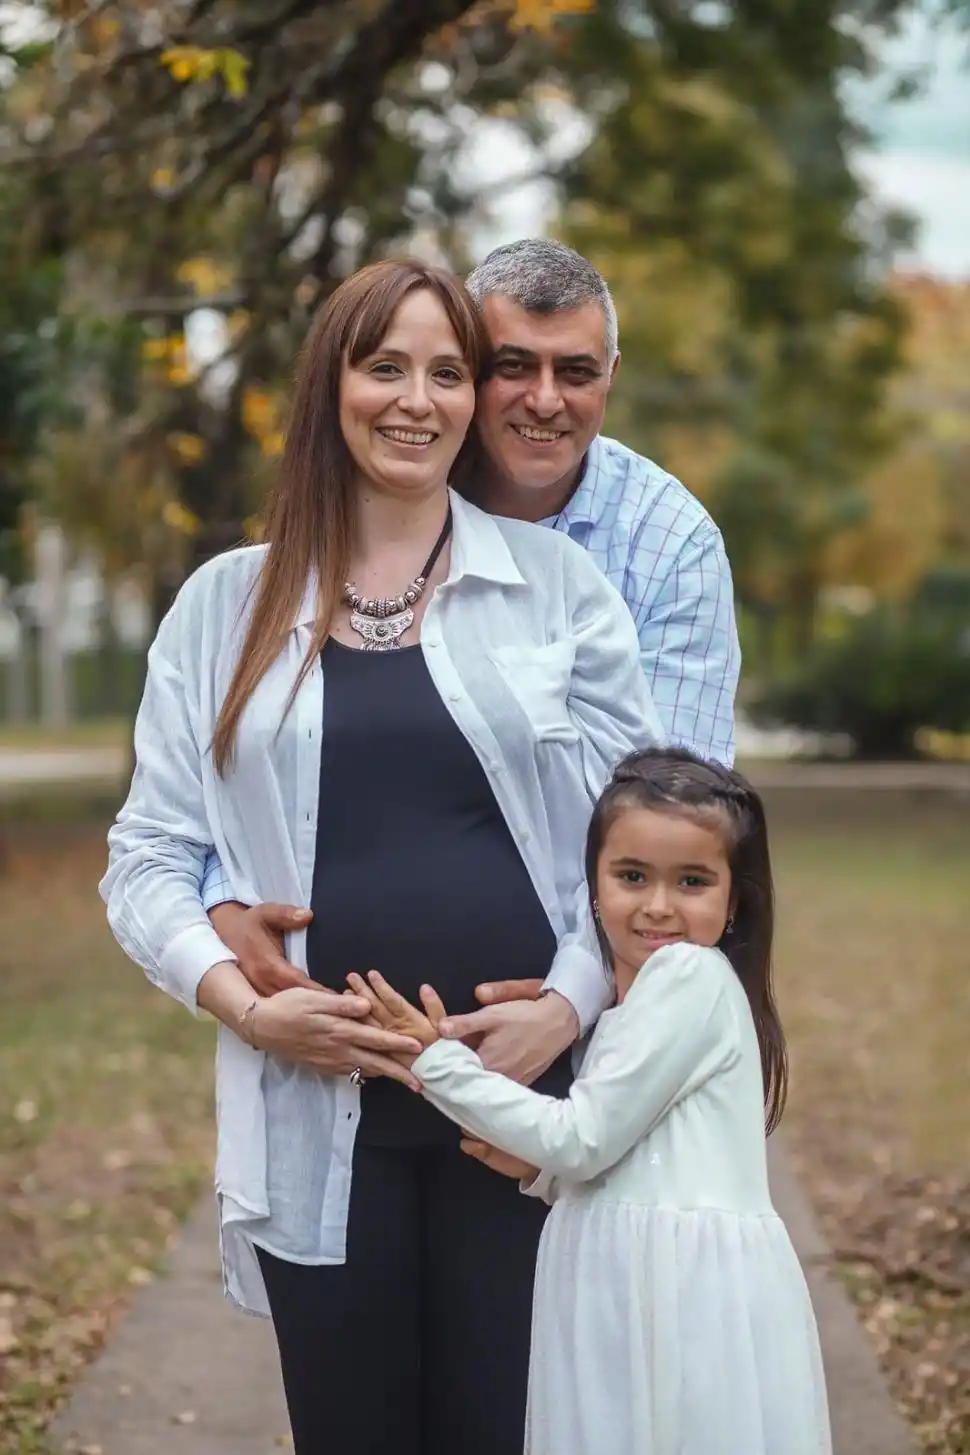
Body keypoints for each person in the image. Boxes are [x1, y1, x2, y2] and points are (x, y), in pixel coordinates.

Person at [100, 257, 664, 1455]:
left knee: (497, 1430)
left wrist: (567, 1007)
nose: (417, 399)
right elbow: (147, 855)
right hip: (320, 1111)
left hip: (518, 1111)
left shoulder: (557, 591)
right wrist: (249, 1011)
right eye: (385, 366)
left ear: (470, 403)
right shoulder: (222, 606)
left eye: (448, 372)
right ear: (331, 386)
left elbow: (644, 848)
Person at [198, 237, 741, 1084]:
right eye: (511, 366)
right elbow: (233, 796)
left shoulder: (665, 544)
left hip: (592, 1037)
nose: (545, 400)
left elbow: (682, 827)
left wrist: (572, 1005)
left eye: (578, 372)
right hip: (335, 1066)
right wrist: (218, 906)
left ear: (613, 376)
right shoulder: (340, 525)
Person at [350, 747, 833, 1455]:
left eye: (692, 881)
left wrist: (436, 1058)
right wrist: (539, 1173)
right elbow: (635, 1149)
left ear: (734, 900)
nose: (658, 904)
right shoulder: (633, 1005)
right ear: (595, 887)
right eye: (632, 875)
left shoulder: (688, 977)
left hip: (677, 1294)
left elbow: (581, 1136)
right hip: (630, 1282)